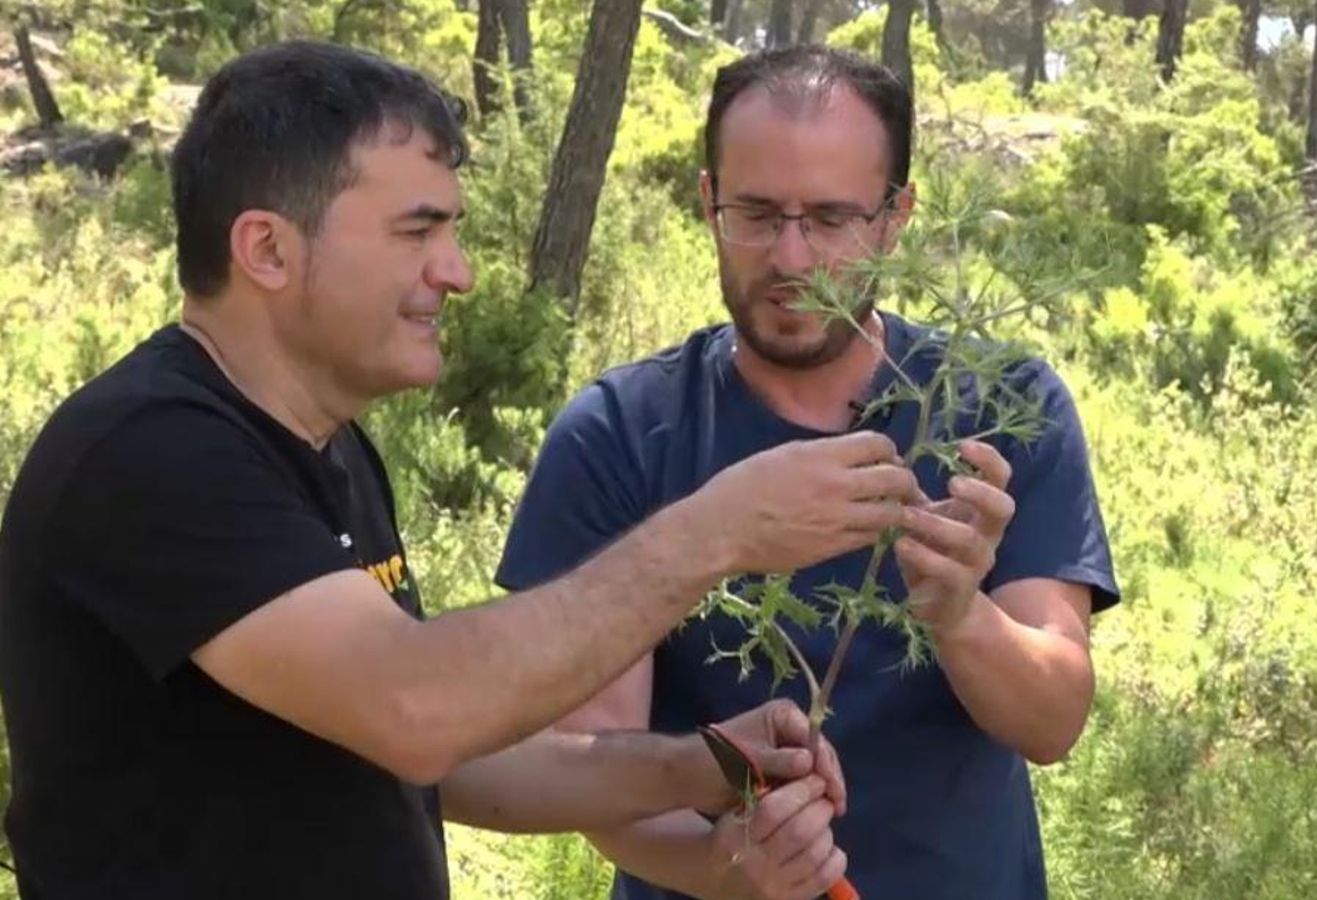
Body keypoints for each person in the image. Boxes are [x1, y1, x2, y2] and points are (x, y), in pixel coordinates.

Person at [0, 41, 921, 899]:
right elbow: (417, 707)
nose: (459, 272)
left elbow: (433, 751)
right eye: (418, 231)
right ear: (267, 249)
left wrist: (701, 766)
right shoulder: (151, 451)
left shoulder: (324, 445)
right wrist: (716, 532)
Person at [496, 45, 1121, 900]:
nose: (790, 259)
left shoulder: (999, 407)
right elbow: (592, 765)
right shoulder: (620, 433)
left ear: (895, 218)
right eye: (755, 213)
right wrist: (721, 869)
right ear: (707, 199)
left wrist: (960, 614)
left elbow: (1052, 722)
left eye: (830, 220)